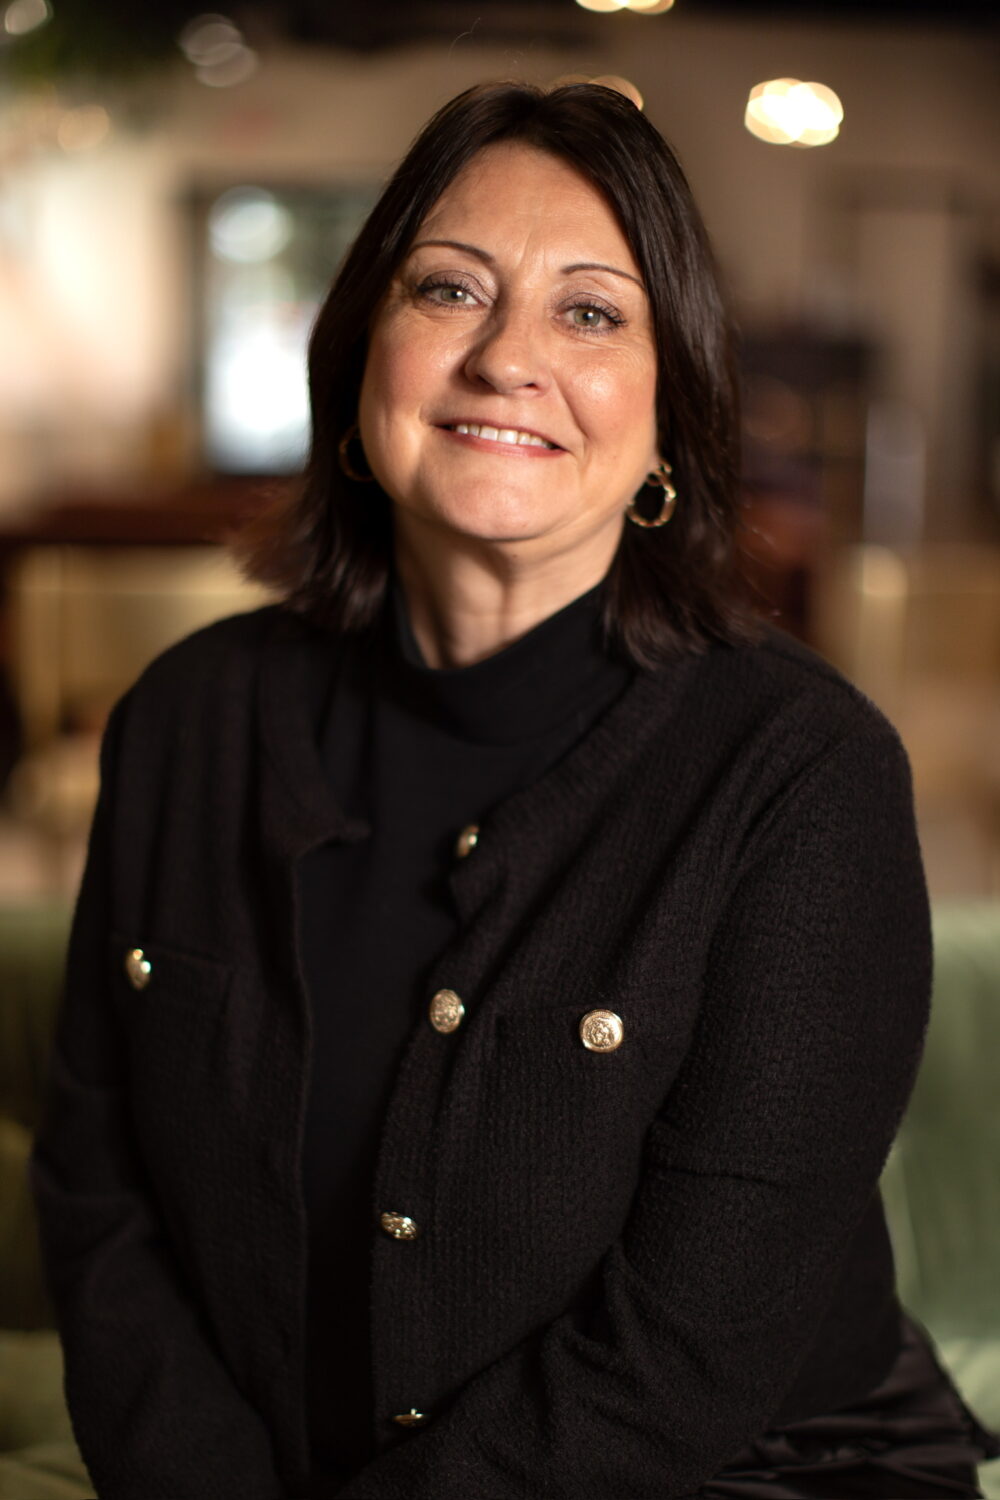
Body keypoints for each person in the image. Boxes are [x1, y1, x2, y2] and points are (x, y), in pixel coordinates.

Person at [31, 81, 999, 1500]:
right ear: (362, 365)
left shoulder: (804, 778)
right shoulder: (189, 719)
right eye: (447, 290)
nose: (506, 359)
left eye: (593, 313)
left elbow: (686, 1351)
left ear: (671, 419)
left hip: (738, 1469)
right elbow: (101, 1193)